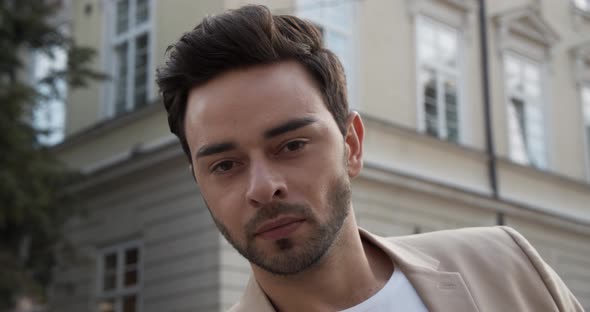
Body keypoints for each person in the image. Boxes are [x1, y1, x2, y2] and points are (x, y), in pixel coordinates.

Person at [155, 5, 583, 312]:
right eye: (225, 165)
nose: (264, 186)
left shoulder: (508, 267)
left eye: (291, 145)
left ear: (352, 145)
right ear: (199, 182)